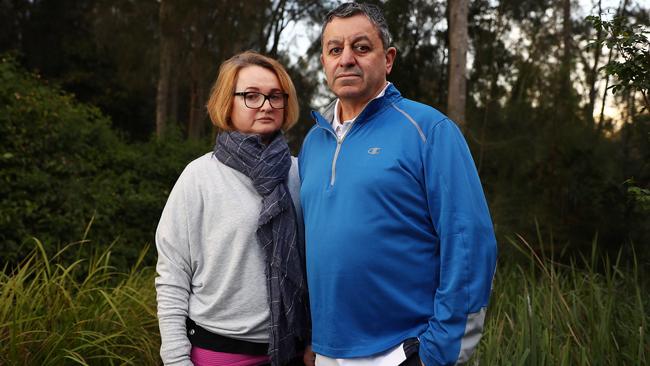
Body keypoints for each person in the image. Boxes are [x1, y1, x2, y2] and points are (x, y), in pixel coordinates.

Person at [298, 3, 497, 366]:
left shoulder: (429, 130)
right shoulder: (313, 143)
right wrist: (313, 337)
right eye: (334, 49)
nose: (346, 59)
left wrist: (438, 352)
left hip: (401, 351)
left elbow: (469, 244)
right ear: (324, 61)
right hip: (328, 351)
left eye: (361, 47)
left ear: (387, 59)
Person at [155, 51, 310, 366]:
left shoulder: (300, 173)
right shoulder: (198, 176)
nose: (266, 105)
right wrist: (175, 358)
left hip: (293, 353)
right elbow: (173, 270)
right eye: (251, 96)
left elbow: (317, 264)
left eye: (275, 96)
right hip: (219, 354)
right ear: (228, 102)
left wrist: (315, 340)